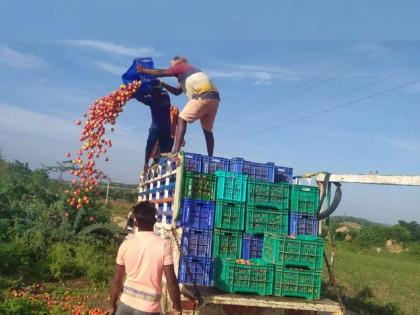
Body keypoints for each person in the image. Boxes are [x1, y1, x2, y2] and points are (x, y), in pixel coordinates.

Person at [137, 56, 220, 157]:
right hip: (214, 98)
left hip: (202, 93)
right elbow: (177, 92)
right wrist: (162, 84)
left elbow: (161, 72)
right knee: (207, 130)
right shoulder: (189, 72)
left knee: (181, 118)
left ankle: (175, 151)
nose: (171, 68)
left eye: (171, 65)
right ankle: (210, 157)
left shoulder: (181, 67)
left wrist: (143, 70)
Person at [110, 201, 182, 315]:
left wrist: (113, 306)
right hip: (149, 309)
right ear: (154, 221)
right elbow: (171, 282)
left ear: (136, 223)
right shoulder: (163, 245)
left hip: (124, 305)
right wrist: (178, 308)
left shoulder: (126, 245)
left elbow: (117, 281)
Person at [135, 87, 179, 171]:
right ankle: (147, 164)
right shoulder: (151, 99)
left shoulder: (165, 96)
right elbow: (139, 97)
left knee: (164, 152)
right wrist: (133, 92)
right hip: (156, 127)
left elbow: (164, 100)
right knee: (151, 143)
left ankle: (161, 168)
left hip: (167, 131)